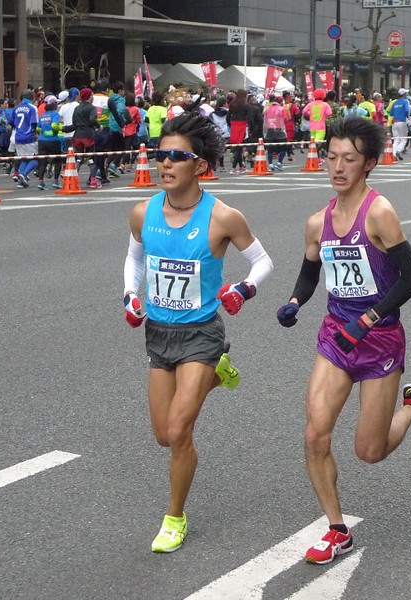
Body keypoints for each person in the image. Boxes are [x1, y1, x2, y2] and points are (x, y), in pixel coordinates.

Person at [275, 117, 411, 565]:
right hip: (336, 338)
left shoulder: (379, 213)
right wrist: (294, 301)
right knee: (314, 435)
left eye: (349, 159)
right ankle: (336, 529)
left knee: (370, 451)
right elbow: (310, 274)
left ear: (368, 164)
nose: (338, 167)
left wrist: (369, 317)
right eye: (332, 157)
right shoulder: (316, 222)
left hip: (379, 340)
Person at [123, 112, 273, 553]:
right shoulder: (142, 211)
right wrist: (129, 297)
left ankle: (174, 517)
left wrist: (243, 290)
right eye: (159, 155)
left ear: (200, 166)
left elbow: (263, 262)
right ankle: (216, 372)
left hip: (201, 332)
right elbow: (134, 260)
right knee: (162, 434)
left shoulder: (223, 217)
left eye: (176, 157)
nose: (164, 164)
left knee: (180, 430)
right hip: (159, 333)